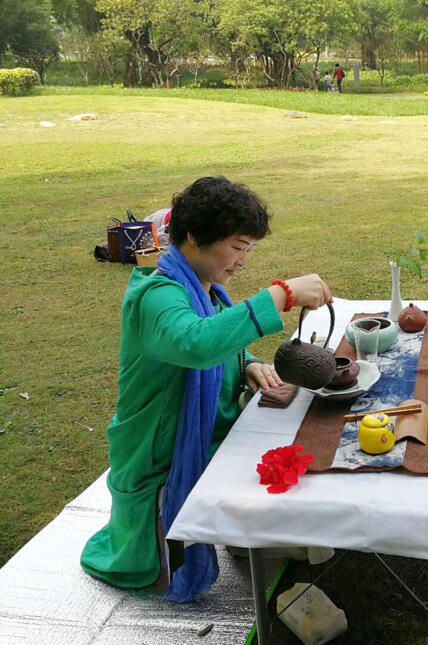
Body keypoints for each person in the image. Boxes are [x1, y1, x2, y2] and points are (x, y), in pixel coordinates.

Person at [80, 177, 332, 601]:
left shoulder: (203, 288)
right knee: (291, 488)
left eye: (248, 250)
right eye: (237, 248)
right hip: (158, 456)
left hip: (206, 433)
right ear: (194, 237)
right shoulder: (156, 294)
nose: (243, 262)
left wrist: (247, 362)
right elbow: (193, 343)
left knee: (294, 458)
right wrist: (281, 295)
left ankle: (247, 528)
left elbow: (215, 339)